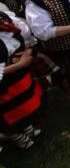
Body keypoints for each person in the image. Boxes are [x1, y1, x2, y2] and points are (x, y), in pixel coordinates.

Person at [0, 10, 46, 150]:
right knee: (5, 115)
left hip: (17, 75)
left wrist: (27, 49)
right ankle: (16, 136)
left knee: (23, 104)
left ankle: (25, 127)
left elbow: (24, 34)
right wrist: (19, 65)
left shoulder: (4, 17)